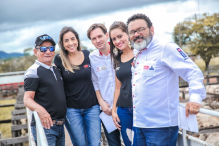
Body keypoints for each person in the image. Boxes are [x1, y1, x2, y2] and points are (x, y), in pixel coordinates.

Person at [127, 13, 206, 146]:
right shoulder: (137, 52)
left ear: (151, 29)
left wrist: (195, 99)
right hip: (139, 123)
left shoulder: (165, 47)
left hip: (161, 126)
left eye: (141, 29)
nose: (136, 34)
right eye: (132, 32)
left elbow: (192, 71)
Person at [54, 26, 101, 146]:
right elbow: (53, 82)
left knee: (95, 143)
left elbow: (97, 77)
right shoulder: (59, 59)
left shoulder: (87, 54)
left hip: (92, 108)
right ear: (62, 44)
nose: (70, 43)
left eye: (72, 39)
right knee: (80, 144)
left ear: (77, 40)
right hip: (72, 110)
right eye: (66, 40)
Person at [23, 34, 67, 146]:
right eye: (43, 49)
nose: (48, 51)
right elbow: (27, 99)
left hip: (60, 125)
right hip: (46, 127)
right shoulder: (33, 72)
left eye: (51, 48)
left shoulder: (56, 69)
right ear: (35, 51)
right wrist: (41, 111)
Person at [88, 23, 121, 146]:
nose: (98, 40)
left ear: (107, 35)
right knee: (114, 143)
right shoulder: (92, 57)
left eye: (100, 36)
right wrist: (101, 102)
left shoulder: (120, 52)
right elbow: (94, 81)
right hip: (106, 110)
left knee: (132, 141)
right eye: (94, 39)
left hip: (124, 106)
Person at [109, 21, 138, 146]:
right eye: (114, 39)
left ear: (127, 34)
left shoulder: (139, 53)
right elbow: (118, 87)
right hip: (123, 110)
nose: (117, 41)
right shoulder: (116, 58)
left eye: (120, 36)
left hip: (140, 108)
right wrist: (114, 111)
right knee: (128, 143)